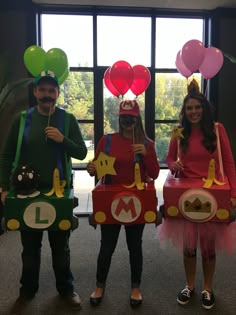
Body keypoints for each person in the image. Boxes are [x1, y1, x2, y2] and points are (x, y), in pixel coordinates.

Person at [0, 71, 87, 313]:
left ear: (57, 94)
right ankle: (27, 291)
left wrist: (62, 139)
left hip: (59, 194)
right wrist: (4, 188)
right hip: (27, 193)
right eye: (43, 90)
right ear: (35, 92)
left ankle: (66, 290)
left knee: (61, 248)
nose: (47, 94)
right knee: (30, 249)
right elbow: (6, 155)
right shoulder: (21, 119)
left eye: (52, 90)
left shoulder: (67, 120)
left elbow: (81, 152)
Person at [158, 79, 236, 310]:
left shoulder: (217, 129)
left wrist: (234, 193)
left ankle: (208, 288)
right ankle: (190, 285)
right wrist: (174, 166)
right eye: (189, 108)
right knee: (189, 247)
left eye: (197, 107)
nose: (194, 112)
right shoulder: (179, 132)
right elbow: (170, 158)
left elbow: (229, 163)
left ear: (204, 109)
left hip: (212, 195)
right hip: (186, 194)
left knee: (208, 249)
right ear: (185, 111)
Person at [87, 99, 160, 307]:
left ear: (138, 120)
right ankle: (99, 285)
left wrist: (146, 155)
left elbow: (154, 174)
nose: (128, 121)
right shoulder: (107, 141)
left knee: (135, 247)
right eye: (124, 118)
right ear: (119, 118)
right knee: (106, 247)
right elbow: (98, 169)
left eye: (131, 118)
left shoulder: (147, 144)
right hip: (111, 201)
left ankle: (135, 287)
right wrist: (92, 169)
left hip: (136, 202)